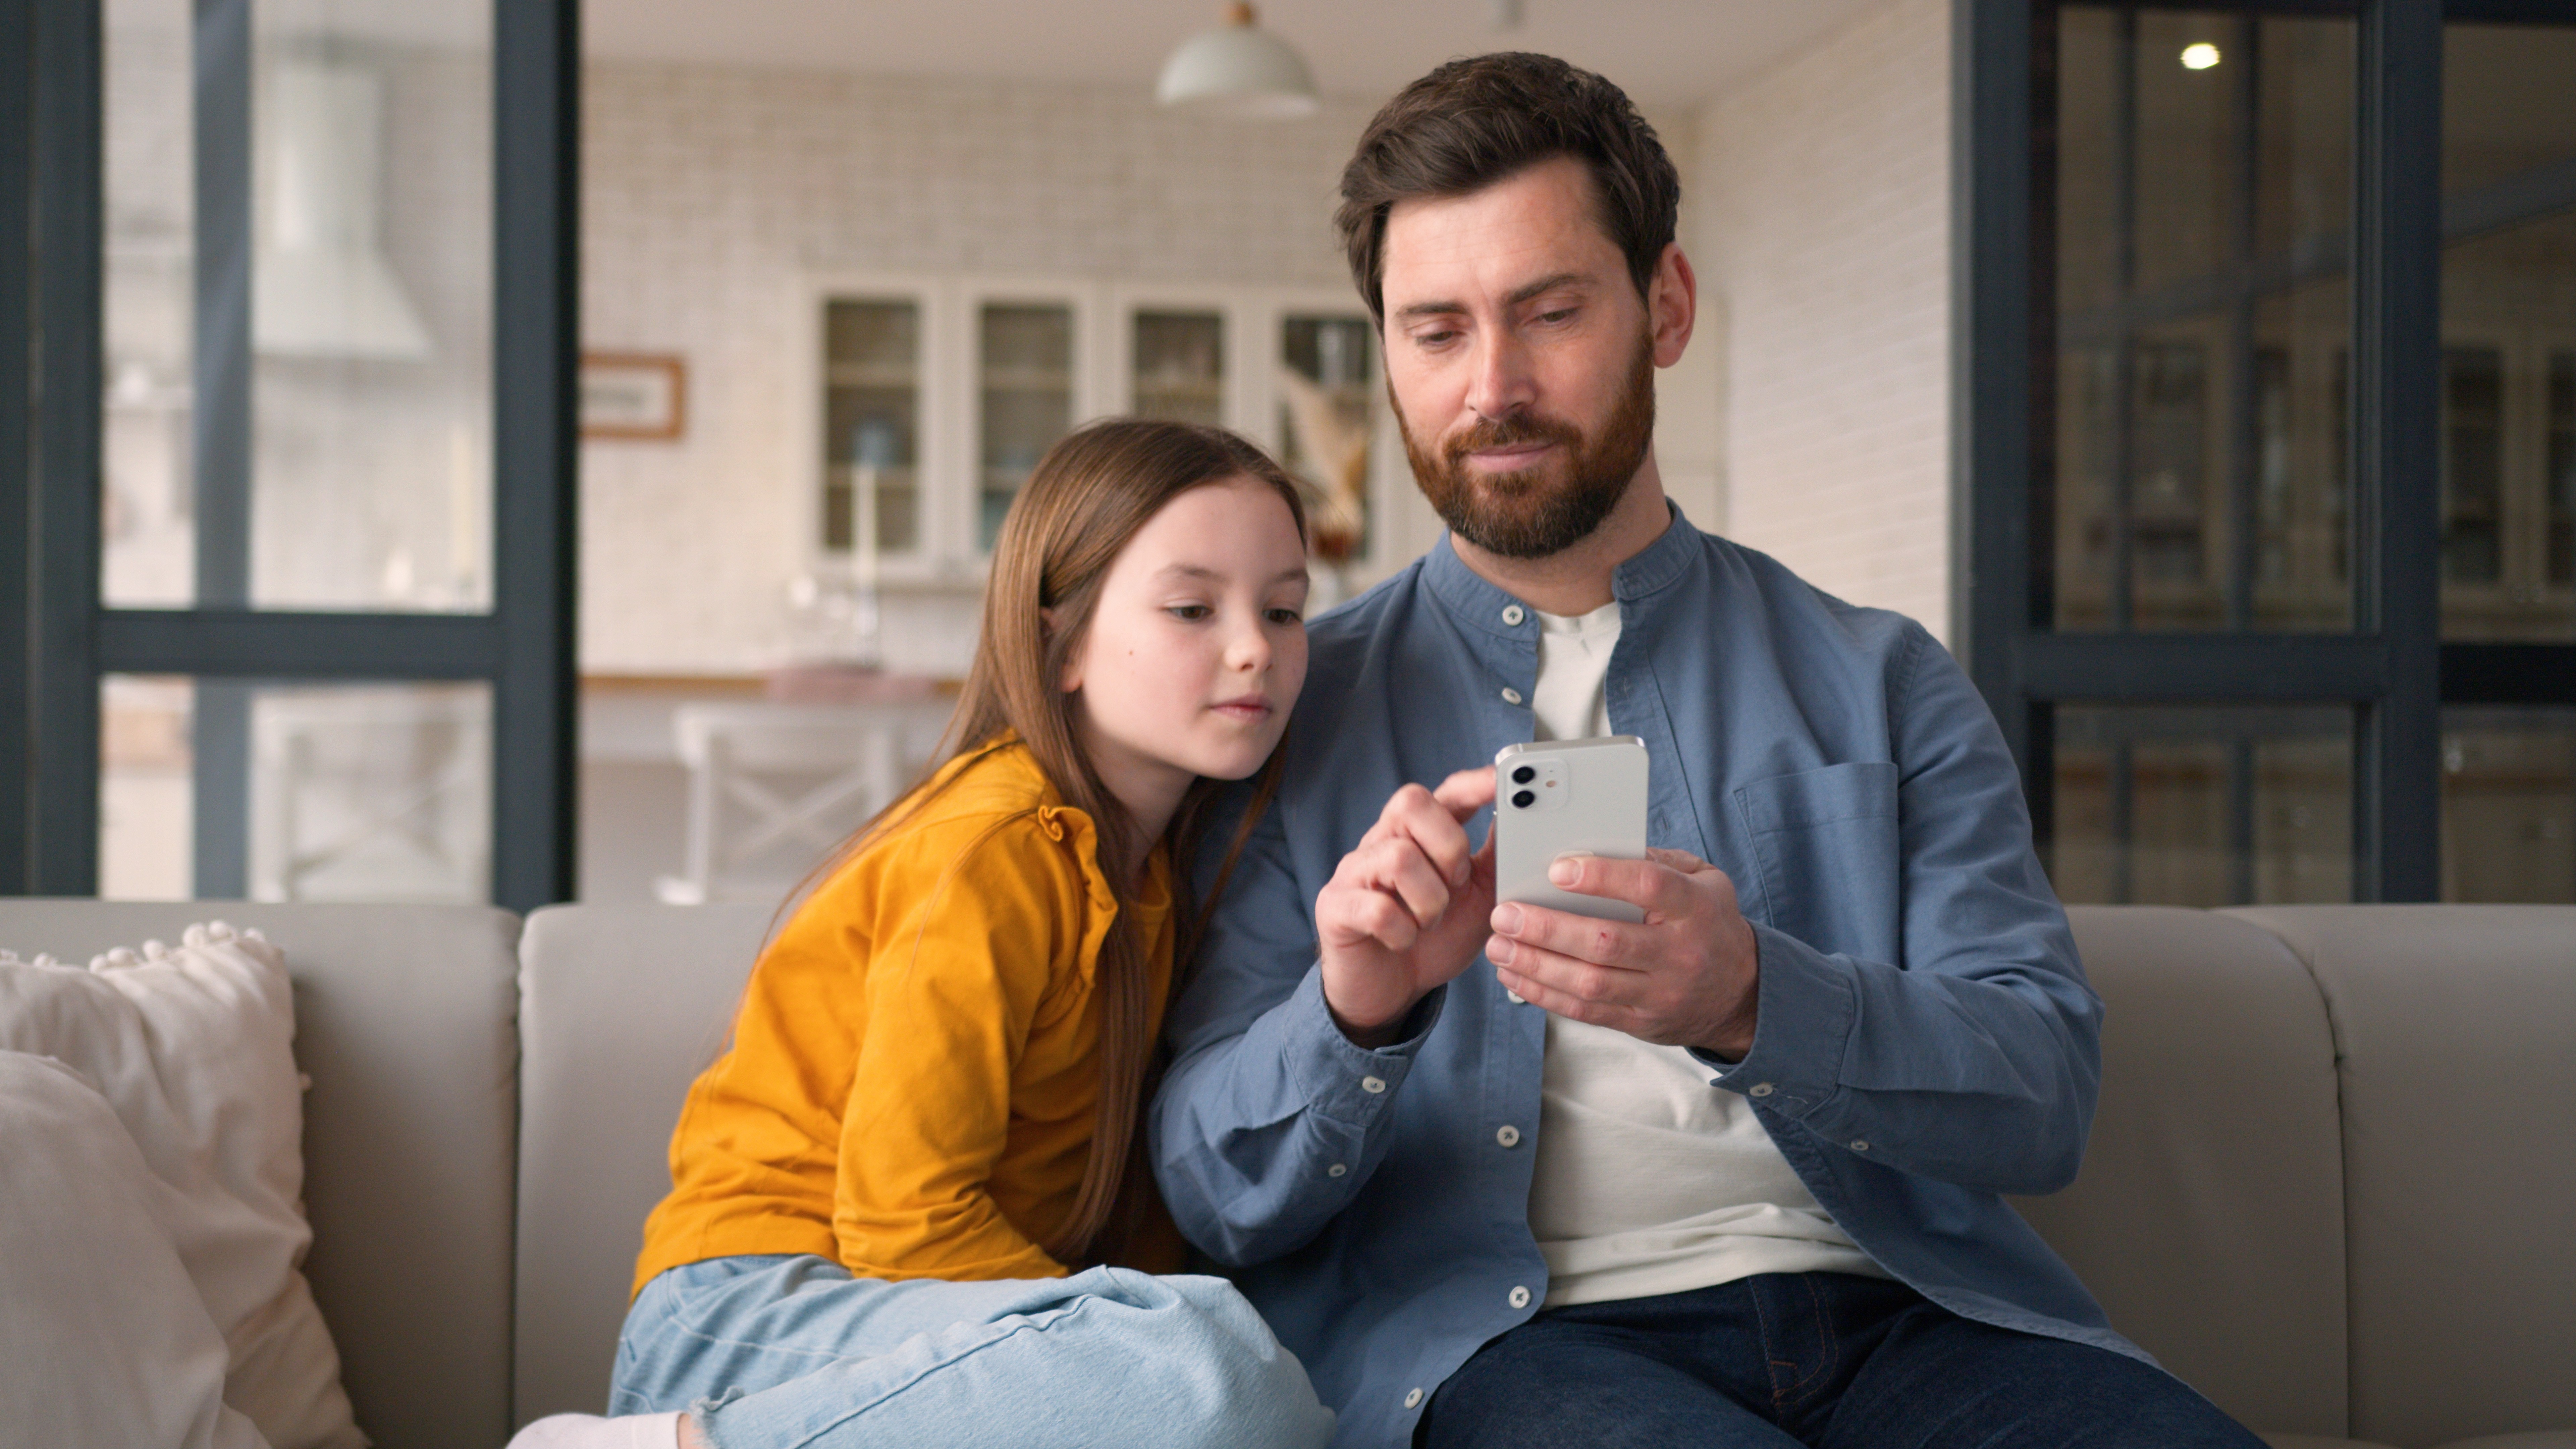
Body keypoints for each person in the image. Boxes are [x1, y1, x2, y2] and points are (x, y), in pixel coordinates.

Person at [1147, 53, 2268, 1449]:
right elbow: (1208, 1185)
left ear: (1662, 308)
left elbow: (2041, 1097)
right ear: (1385, 351)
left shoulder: (1882, 680)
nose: (1494, 386)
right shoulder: (1287, 713)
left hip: (1912, 1316)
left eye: (1550, 313)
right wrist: (1355, 1017)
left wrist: (1751, 997)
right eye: (1436, 332)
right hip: (1511, 1344)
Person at [511, 420, 1335, 1449]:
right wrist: (1112, 1340)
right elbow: (905, 1218)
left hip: (927, 1325)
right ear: (1064, 642)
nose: (1255, 644)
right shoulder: (994, 847)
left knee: (1247, 1369)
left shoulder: (1159, 876)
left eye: (1287, 609)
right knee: (1208, 1369)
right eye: (1189, 608)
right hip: (749, 1321)